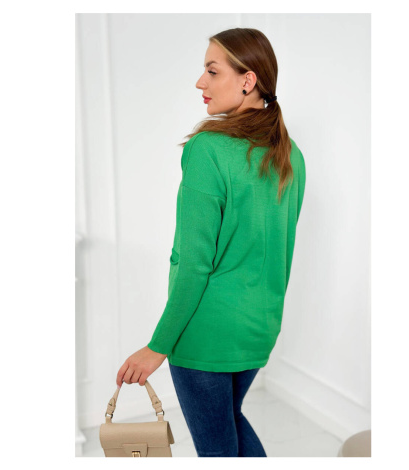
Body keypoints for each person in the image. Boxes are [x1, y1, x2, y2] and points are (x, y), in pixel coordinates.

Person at [116, 27, 307, 457]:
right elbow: (280, 248)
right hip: (259, 328)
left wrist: (158, 346)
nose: (200, 82)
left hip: (205, 334)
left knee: (217, 448)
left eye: (212, 71)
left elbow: (194, 263)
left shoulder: (208, 149)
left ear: (247, 80)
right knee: (229, 423)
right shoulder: (291, 154)